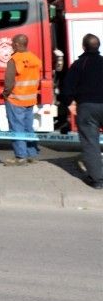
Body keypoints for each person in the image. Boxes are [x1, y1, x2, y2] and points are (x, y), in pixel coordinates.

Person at [60, 34, 103, 189]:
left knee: (91, 143)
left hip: (87, 107)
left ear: (84, 47)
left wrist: (69, 102)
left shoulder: (79, 64)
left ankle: (98, 180)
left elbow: (67, 87)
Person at [0, 34, 42, 165]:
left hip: (16, 99)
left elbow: (9, 82)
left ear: (17, 44)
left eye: (12, 43)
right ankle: (32, 155)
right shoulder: (35, 59)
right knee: (28, 127)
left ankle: (20, 157)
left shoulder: (14, 59)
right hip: (30, 99)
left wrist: (5, 94)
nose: (12, 45)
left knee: (16, 128)